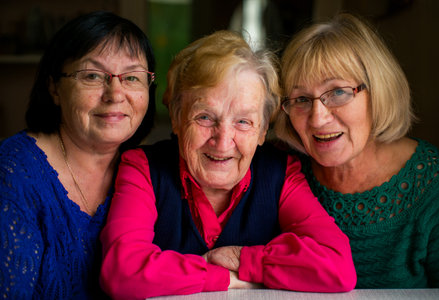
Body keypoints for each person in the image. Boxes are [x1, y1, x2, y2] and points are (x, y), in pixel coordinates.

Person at [99, 30, 356, 299]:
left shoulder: (282, 174)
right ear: (176, 118)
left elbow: (338, 266)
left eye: (243, 122)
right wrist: (226, 278)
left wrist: (241, 259)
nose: (223, 142)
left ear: (262, 129)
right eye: (205, 117)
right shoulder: (142, 167)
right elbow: (120, 272)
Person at [274, 12, 439, 288]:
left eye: (338, 92)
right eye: (302, 99)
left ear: (377, 91)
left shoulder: (436, 187)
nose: (318, 118)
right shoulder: (279, 174)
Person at [0, 11, 156, 299]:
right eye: (93, 76)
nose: (116, 94)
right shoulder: (12, 172)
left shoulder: (150, 170)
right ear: (54, 88)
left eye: (132, 77)